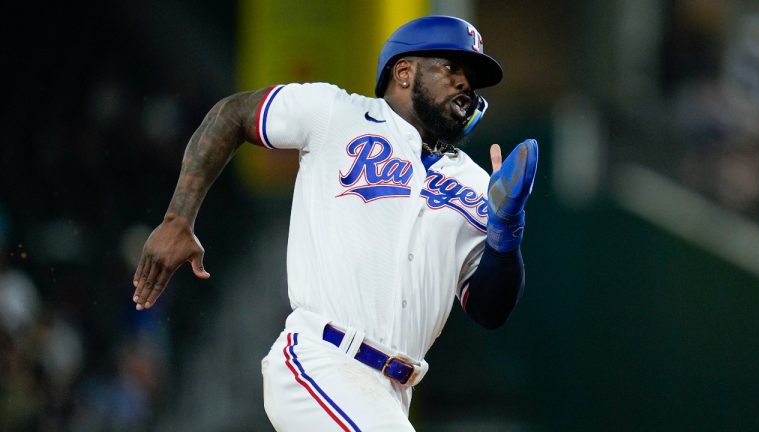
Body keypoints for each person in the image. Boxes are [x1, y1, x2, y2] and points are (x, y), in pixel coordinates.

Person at [132, 15, 538, 431]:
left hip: (392, 392)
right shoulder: (337, 114)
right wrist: (178, 218)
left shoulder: (474, 181)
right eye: (452, 68)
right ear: (404, 71)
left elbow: (490, 308)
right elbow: (232, 114)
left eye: (472, 77)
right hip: (322, 360)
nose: (464, 83)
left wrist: (505, 232)